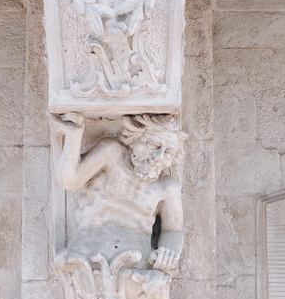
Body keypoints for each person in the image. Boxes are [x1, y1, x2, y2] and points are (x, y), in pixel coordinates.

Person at [52, 111, 186, 274]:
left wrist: (169, 251)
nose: (159, 157)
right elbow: (70, 181)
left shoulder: (166, 187)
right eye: (153, 145)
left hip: (136, 269)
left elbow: (172, 230)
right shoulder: (111, 153)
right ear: (135, 139)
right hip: (85, 259)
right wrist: (74, 134)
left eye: (168, 153)